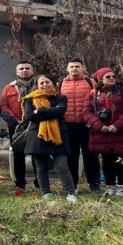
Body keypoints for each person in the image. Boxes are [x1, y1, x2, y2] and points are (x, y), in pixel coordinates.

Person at [83, 68, 123, 197]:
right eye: (107, 77)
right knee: (107, 160)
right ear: (100, 79)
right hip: (102, 132)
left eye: (113, 76)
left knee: (121, 160)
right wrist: (99, 125)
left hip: (121, 131)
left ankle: (122, 187)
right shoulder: (93, 94)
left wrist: (117, 125)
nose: (111, 78)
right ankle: (110, 185)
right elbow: (87, 112)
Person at [23, 74, 77, 202]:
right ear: (37, 85)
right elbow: (29, 116)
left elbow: (60, 112)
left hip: (58, 135)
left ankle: (70, 193)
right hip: (37, 135)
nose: (44, 85)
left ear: (53, 83)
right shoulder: (30, 99)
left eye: (47, 82)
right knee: (41, 167)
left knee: (62, 165)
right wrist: (51, 111)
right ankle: (46, 193)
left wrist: (40, 111)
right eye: (41, 83)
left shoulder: (61, 98)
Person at [59, 58, 101, 193]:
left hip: (87, 125)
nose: (74, 69)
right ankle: (73, 185)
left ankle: (94, 183)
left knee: (91, 155)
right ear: (67, 69)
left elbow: (99, 100)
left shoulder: (91, 82)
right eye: (71, 67)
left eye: (77, 66)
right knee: (71, 156)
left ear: (83, 68)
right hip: (68, 125)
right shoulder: (61, 84)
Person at [0, 60, 35, 193]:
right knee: (17, 154)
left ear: (33, 71)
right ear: (16, 72)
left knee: (37, 153)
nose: (24, 71)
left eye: (27, 68)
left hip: (36, 124)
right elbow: (3, 106)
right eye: (21, 69)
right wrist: (16, 121)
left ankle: (39, 183)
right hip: (16, 126)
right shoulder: (9, 87)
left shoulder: (40, 85)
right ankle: (20, 184)